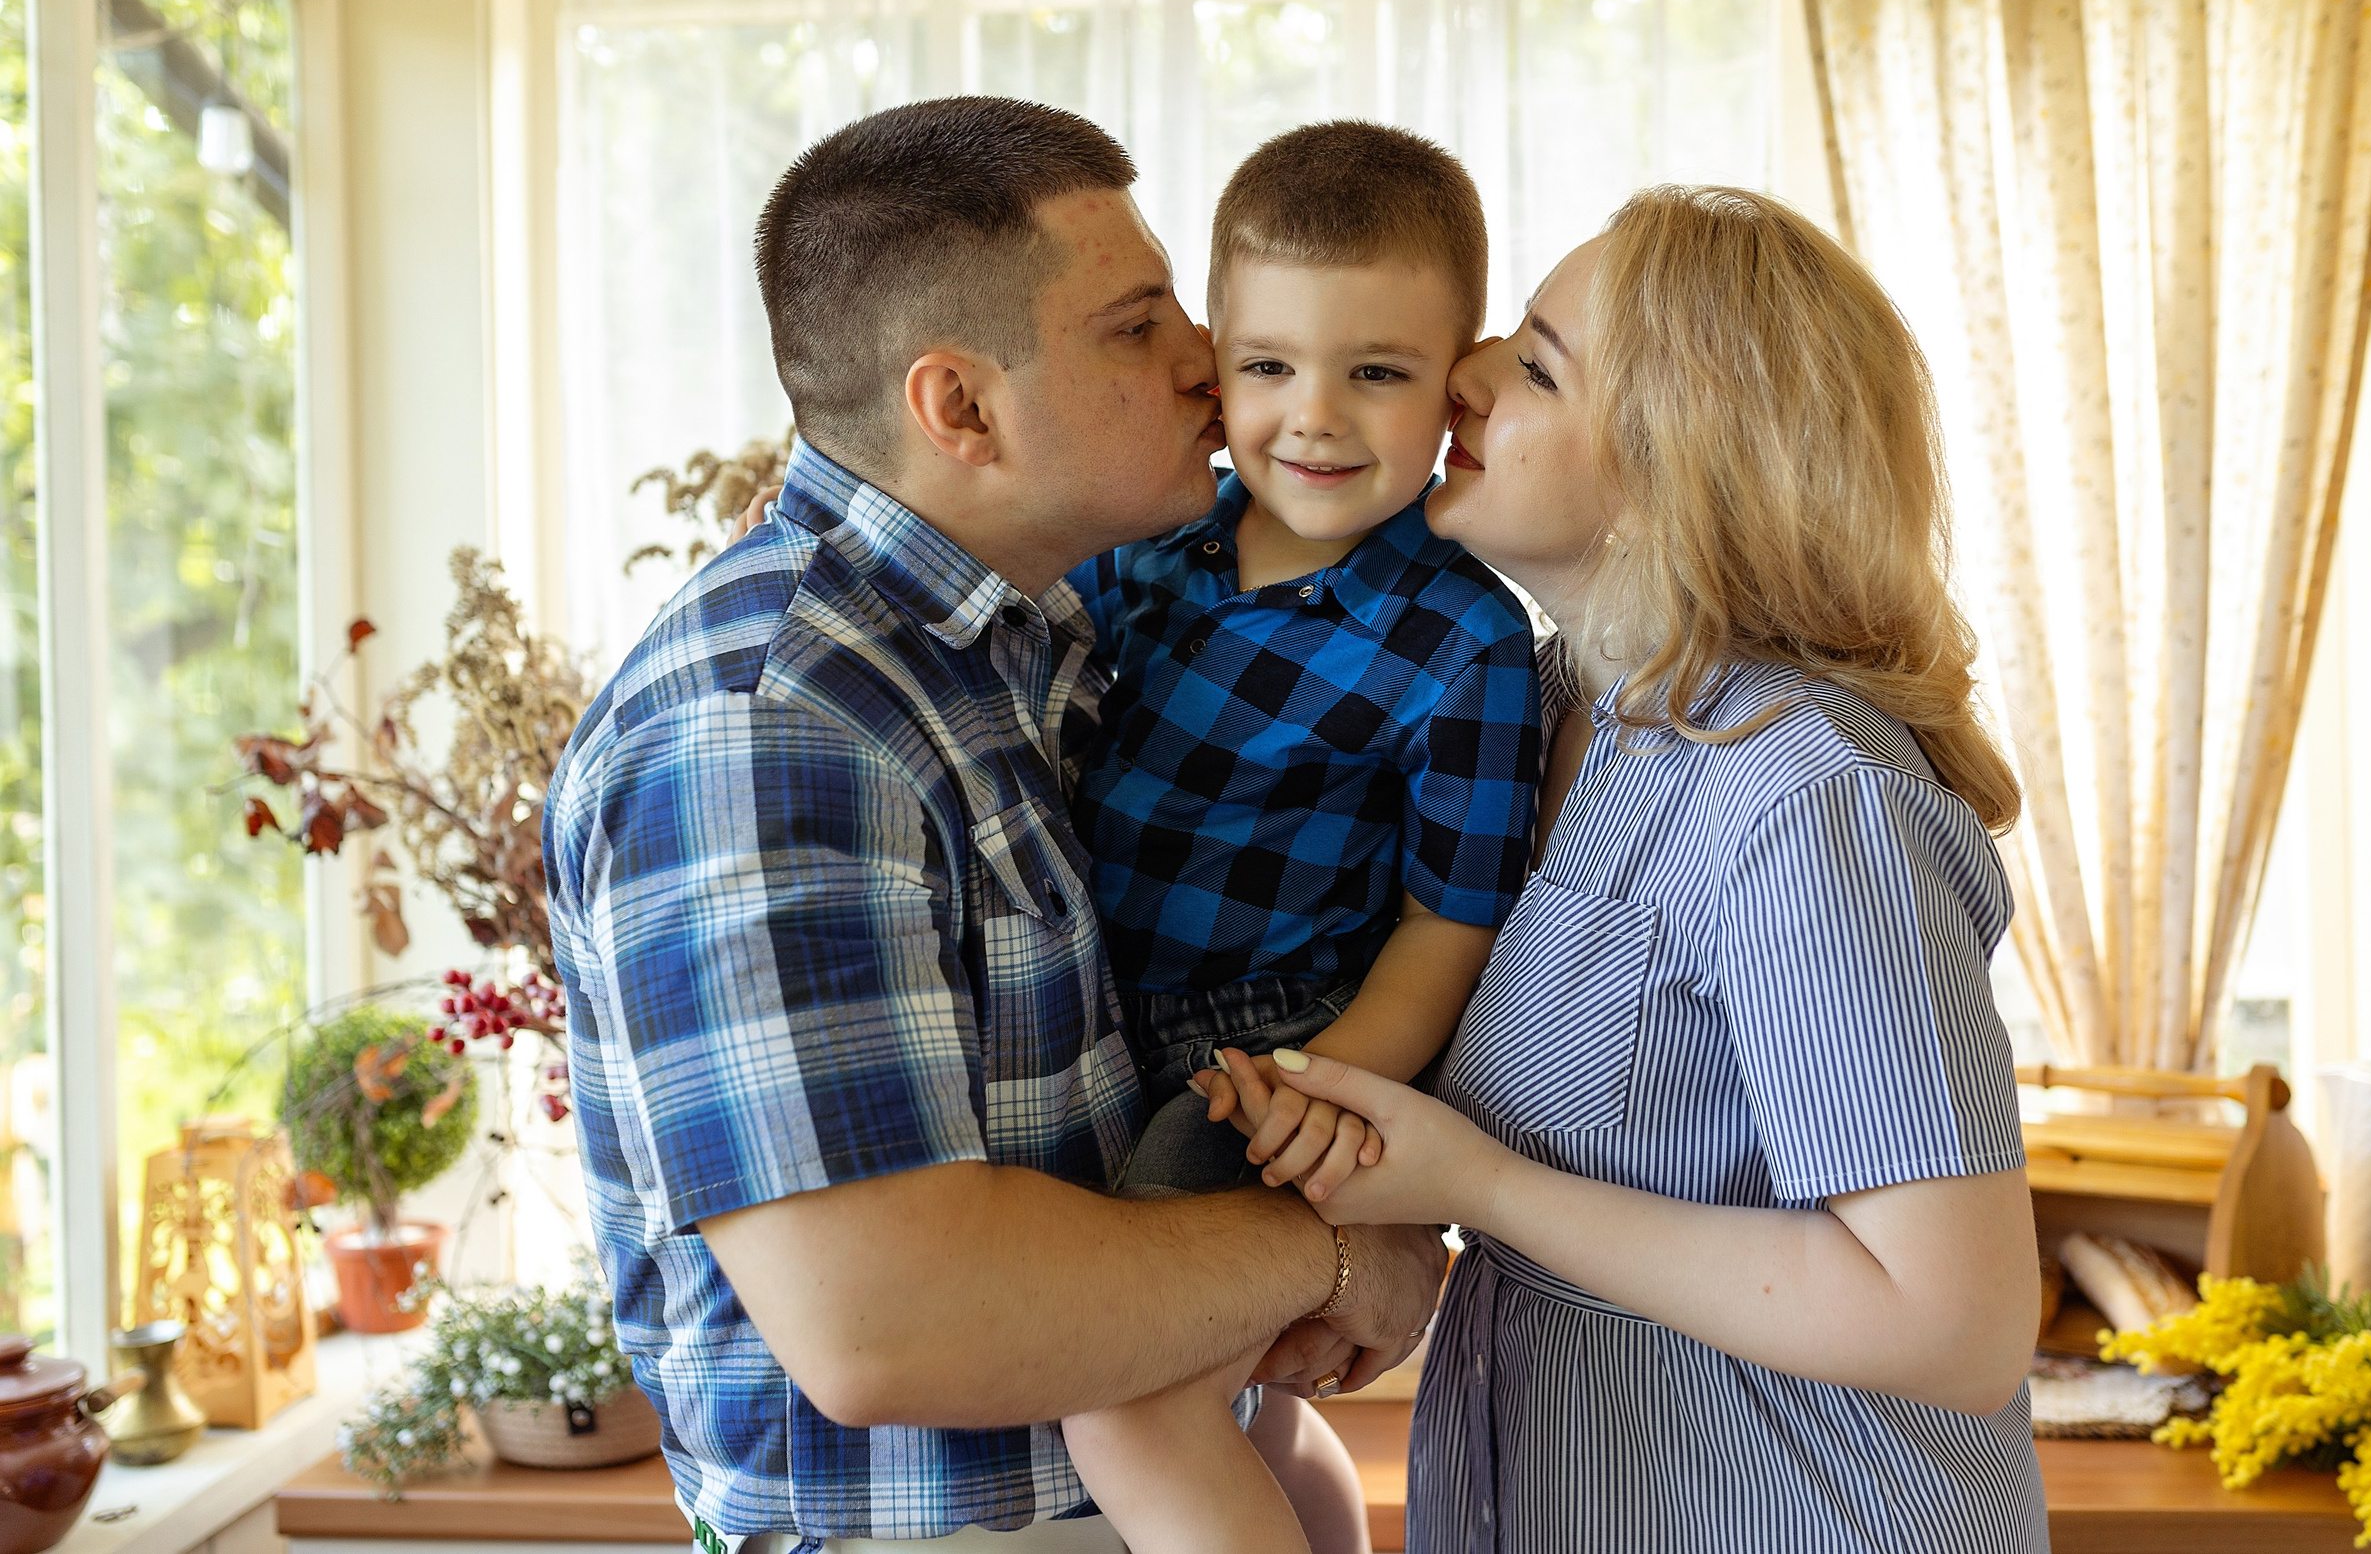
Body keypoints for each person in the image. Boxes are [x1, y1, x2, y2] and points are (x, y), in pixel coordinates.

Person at [542, 97, 1448, 1553]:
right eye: (1137, 324)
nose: (1204, 363)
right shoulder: (770, 728)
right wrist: (1336, 1248)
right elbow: (890, 1323)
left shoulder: (1042, 644)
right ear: (959, 406)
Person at [1210, 186, 2050, 1552]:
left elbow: (1953, 1320)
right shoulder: (1539, 715)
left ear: (1680, 469)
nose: (1463, 375)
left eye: (1536, 363)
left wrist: (1476, 1188)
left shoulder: (1804, 793)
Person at [1058, 124, 1542, 1554]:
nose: (1314, 417)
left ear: (1457, 382)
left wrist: (1324, 1092)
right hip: (1088, 1021)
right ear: (1214, 362)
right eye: (1270, 367)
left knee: (1126, 1387)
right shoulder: (1137, 542)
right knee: (1214, 1391)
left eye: (1375, 373)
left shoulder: (1464, 638)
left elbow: (1450, 919)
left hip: (1267, 1044)